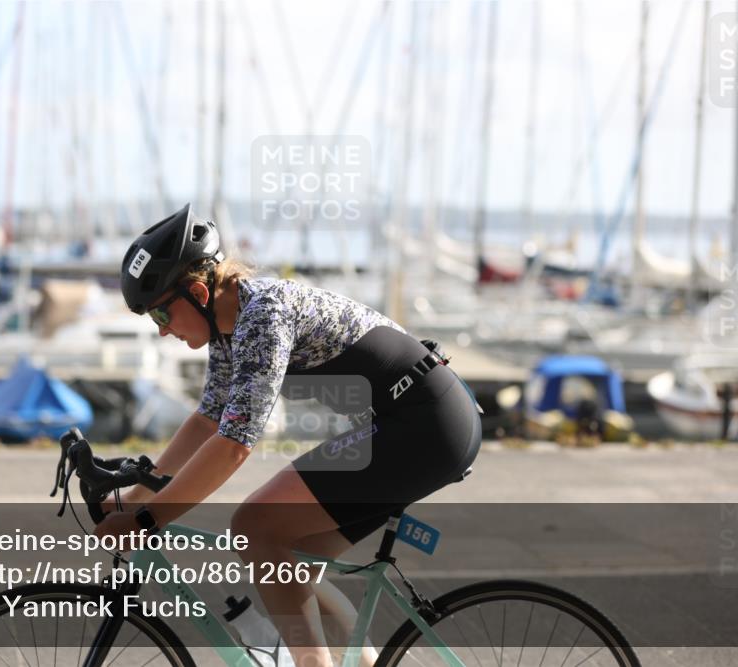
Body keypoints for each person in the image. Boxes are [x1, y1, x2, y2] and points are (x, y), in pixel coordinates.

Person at [97, 204, 482, 667]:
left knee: (255, 525)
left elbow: (234, 445)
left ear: (197, 292)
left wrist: (148, 519)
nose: (162, 332)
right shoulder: (229, 326)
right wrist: (137, 497)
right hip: (407, 422)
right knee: (293, 561)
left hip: (426, 423)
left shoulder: (263, 315)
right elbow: (208, 420)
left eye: (161, 315)